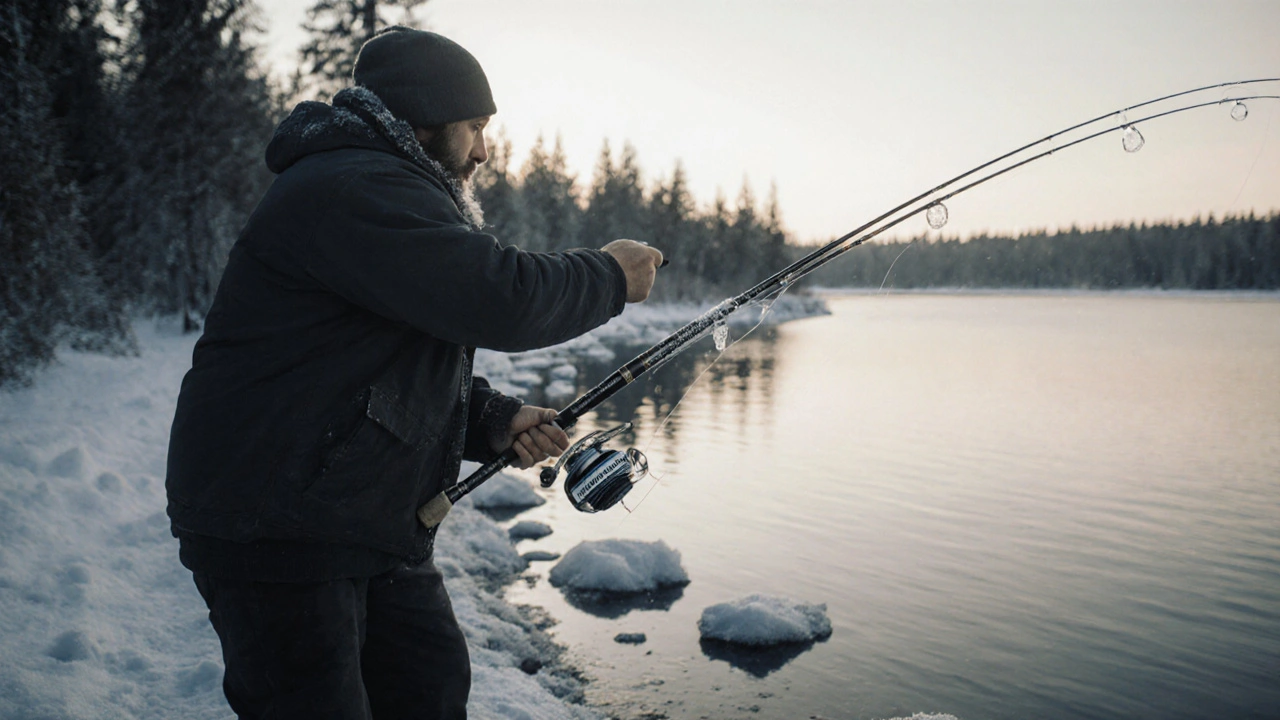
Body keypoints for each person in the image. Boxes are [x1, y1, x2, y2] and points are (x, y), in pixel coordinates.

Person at [164, 27, 663, 719]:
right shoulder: (352, 185)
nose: (485, 150)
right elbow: (496, 298)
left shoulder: (381, 185)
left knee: (427, 687)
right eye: (476, 127)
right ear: (425, 118)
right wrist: (608, 275)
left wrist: (491, 421)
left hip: (358, 516)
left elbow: (385, 354)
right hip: (277, 525)